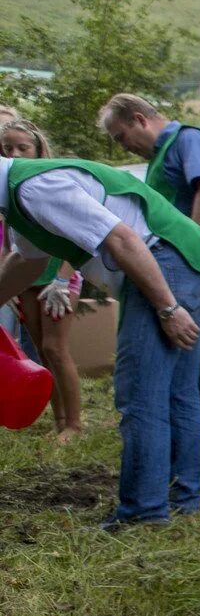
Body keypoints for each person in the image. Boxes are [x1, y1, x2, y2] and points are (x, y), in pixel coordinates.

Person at [0, 155, 200, 525]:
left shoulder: (36, 188)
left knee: (140, 394)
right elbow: (28, 261)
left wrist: (168, 309)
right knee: (176, 392)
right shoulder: (21, 195)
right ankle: (184, 499)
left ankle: (144, 512)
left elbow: (122, 238)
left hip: (167, 263)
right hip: (191, 261)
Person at [100, 94, 200, 467]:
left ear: (139, 119)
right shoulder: (162, 156)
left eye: (121, 137)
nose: (124, 146)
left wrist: (189, 249)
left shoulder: (188, 139)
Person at [1, 119, 86, 441]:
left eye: (23, 147)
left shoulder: (52, 182)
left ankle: (75, 425)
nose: (15, 152)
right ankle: (59, 420)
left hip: (60, 277)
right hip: (26, 278)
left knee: (56, 347)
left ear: (38, 148)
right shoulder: (8, 191)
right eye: (8, 148)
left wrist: (63, 280)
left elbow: (77, 235)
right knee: (39, 348)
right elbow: (8, 244)